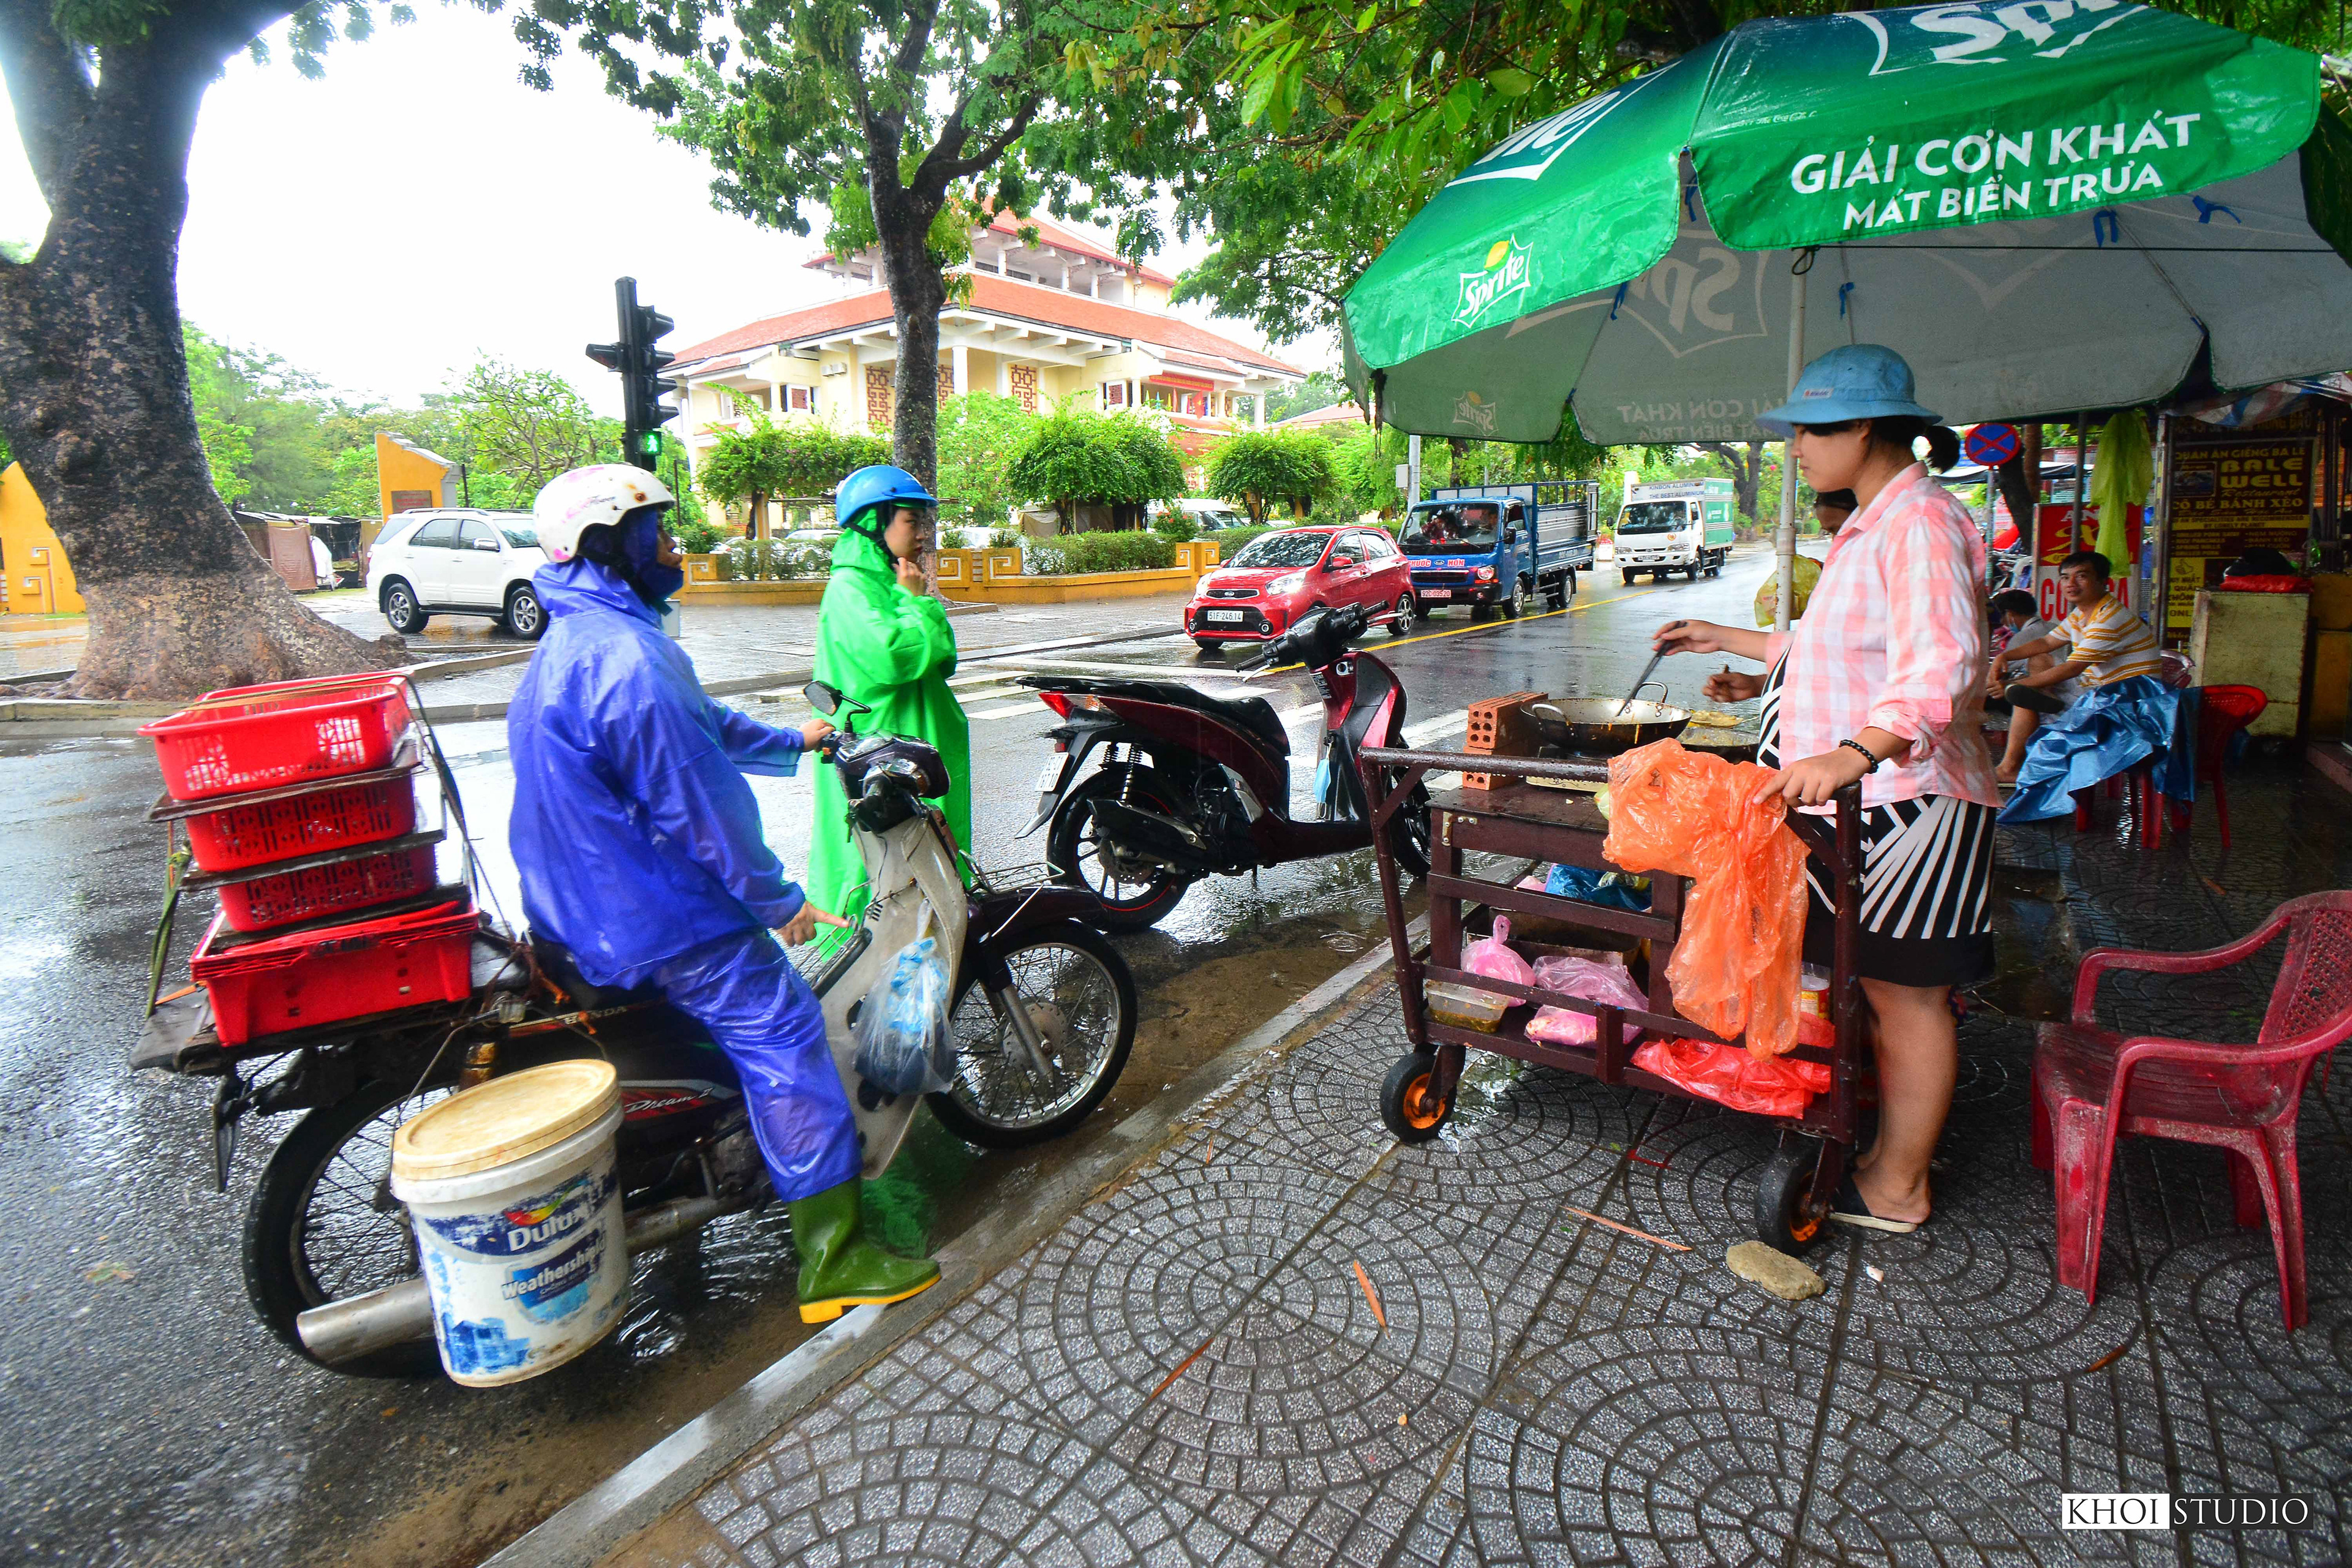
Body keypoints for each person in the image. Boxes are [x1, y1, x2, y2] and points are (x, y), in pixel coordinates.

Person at [507, 464, 939, 1324]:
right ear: (611, 543)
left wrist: (799, 740)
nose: (673, 546)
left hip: (579, 907)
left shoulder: (584, 641)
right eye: (656, 532)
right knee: (786, 1033)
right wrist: (781, 906)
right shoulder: (632, 658)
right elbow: (702, 807)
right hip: (654, 915)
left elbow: (695, 727)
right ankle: (833, 1259)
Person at [1654, 344, 1996, 1234]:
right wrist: (1722, 641)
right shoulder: (1872, 524)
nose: (1799, 448)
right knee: (1879, 989)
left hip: (1911, 804)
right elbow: (1829, 651)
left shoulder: (1919, 523)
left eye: (1811, 430)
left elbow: (1942, 667)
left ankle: (1900, 1189)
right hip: (1872, 808)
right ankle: (1889, 1159)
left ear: (1870, 430)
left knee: (1909, 999)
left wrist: (1852, 752)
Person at [805, 466, 972, 934]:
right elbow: (896, 659)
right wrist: (914, 602)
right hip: (878, 760)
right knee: (877, 870)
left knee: (923, 865)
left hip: (908, 753)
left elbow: (944, 657)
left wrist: (913, 601)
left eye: (923, 522)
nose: (921, 534)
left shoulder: (895, 581)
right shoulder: (851, 590)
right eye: (910, 522)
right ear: (873, 522)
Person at [1995, 550, 2184, 823]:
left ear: (2103, 581)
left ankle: (2015, 762)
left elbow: (2073, 668)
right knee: (2034, 673)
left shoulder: (2110, 618)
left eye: (2081, 576)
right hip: (2096, 691)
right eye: (2065, 577)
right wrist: (2005, 656)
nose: (2071, 584)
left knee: (2026, 695)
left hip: (2125, 704)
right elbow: (2048, 643)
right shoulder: (2082, 614)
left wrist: (2014, 684)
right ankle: (2039, 715)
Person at [1985, 588, 2077, 782]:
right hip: (2062, 689)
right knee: (2023, 691)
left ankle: (2007, 766)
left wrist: (2007, 680)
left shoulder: (2021, 638)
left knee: (2007, 694)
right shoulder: (2054, 625)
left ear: (2010, 615)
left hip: (2064, 693)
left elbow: (2069, 667)